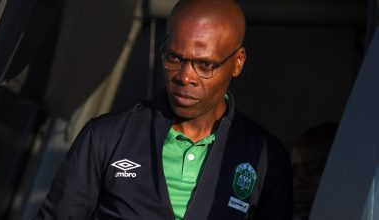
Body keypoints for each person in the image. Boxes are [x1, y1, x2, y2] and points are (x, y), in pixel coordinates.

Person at [35, 0, 292, 219]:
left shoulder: (266, 157)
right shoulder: (106, 137)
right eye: (174, 58)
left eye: (205, 65)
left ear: (237, 62)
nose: (185, 76)